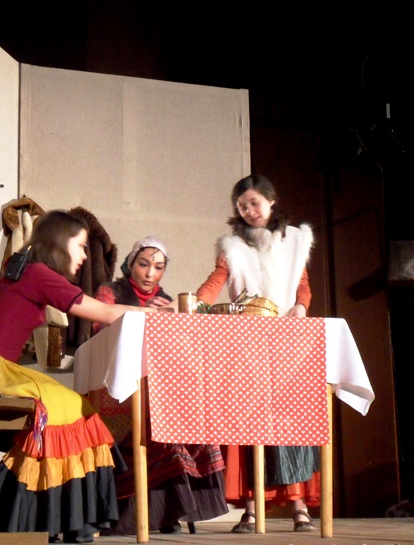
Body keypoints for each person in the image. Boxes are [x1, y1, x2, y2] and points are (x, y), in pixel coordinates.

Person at [0, 210, 160, 543]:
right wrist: (156, 312)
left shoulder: (12, 276)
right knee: (74, 410)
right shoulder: (40, 274)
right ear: (60, 243)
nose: (84, 256)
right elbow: (103, 311)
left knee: (67, 409)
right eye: (80, 246)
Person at [194, 173, 318, 533]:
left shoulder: (294, 241)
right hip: (246, 346)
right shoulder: (233, 246)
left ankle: (299, 507)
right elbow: (215, 283)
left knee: (290, 425)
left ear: (271, 201)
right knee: (247, 425)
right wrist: (195, 304)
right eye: (242, 206)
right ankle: (251, 509)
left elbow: (303, 285)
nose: (249, 210)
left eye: (254, 203)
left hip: (287, 343)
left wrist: (300, 307)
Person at [90, 236, 229, 534]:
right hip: (119, 387)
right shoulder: (110, 292)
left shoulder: (168, 300)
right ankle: (154, 514)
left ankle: (171, 511)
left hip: (158, 387)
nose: (150, 273)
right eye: (143, 264)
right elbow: (99, 329)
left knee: (191, 422)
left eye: (158, 267)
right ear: (131, 263)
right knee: (158, 423)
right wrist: (147, 315)